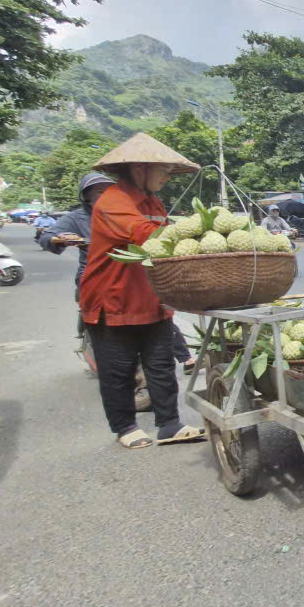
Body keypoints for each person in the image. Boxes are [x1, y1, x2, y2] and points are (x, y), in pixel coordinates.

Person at [79, 133, 207, 449]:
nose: (166, 176)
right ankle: (124, 427)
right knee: (119, 370)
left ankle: (169, 424)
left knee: (161, 366)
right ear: (139, 168)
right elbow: (148, 236)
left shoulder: (153, 202)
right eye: (162, 170)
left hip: (151, 297)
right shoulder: (113, 202)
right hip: (114, 299)